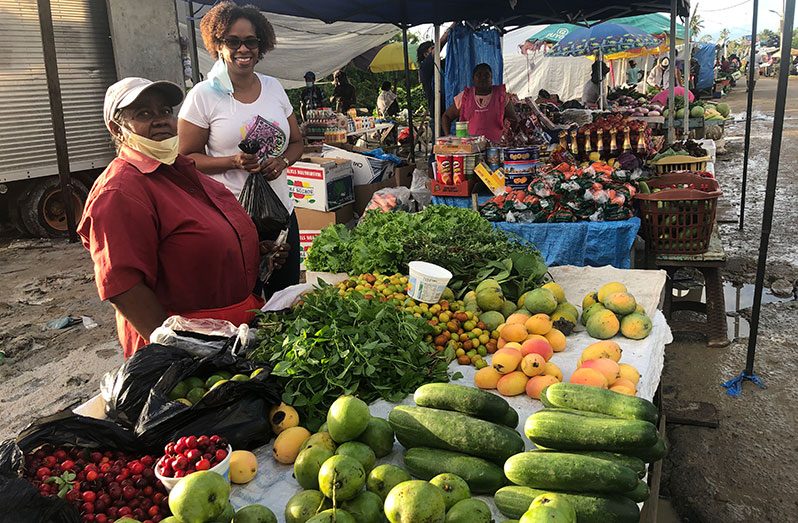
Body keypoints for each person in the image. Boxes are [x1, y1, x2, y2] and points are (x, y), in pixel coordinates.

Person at [79, 77, 287, 358]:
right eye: (143, 114)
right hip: (192, 349)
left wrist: (254, 253)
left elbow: (194, 243)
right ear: (117, 129)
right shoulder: (121, 190)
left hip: (230, 335)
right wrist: (179, 351)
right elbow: (123, 286)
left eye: (165, 111)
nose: (161, 120)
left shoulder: (182, 171)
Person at [177, 1, 303, 298]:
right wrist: (232, 161)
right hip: (232, 218)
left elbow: (297, 142)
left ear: (261, 46)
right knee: (244, 299)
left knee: (284, 296)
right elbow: (185, 159)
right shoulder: (204, 96)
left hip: (282, 212)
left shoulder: (274, 88)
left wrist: (282, 161)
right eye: (232, 41)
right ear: (218, 45)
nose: (243, 49)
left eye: (250, 41)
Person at [441, 63, 518, 143]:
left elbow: (514, 120)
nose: (483, 78)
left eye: (487, 75)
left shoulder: (501, 96)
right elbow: (446, 117)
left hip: (494, 150)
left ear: (491, 79)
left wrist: (509, 138)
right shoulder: (465, 97)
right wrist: (448, 137)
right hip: (469, 150)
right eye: (479, 75)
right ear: (473, 79)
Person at [418, 34, 448, 126]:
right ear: (426, 54)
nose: (437, 51)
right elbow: (441, 43)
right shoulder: (425, 67)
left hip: (449, 111)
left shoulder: (440, 65)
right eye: (432, 48)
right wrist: (450, 29)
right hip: (438, 114)